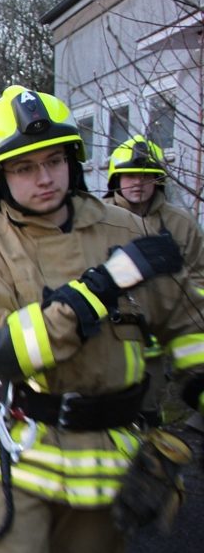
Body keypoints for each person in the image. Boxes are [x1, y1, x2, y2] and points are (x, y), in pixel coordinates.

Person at [0, 86, 204, 553]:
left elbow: (188, 322)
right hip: (18, 457)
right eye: (25, 168)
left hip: (108, 461)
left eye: (54, 160)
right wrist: (98, 289)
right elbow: (0, 351)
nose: (44, 178)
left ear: (73, 159)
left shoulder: (130, 231)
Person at [105, 135, 204, 426]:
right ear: (117, 179)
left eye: (148, 175)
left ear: (158, 180)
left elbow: (199, 272)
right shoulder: (98, 219)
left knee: (148, 411)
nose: (139, 182)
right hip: (111, 338)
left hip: (157, 345)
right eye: (131, 175)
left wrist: (180, 310)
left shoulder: (180, 223)